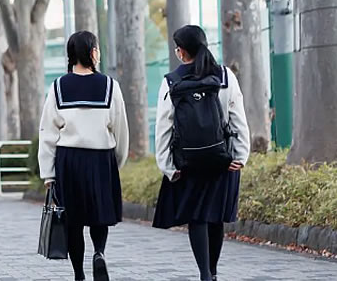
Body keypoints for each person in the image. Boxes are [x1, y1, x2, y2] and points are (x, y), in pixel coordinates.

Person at [153, 25, 251, 281]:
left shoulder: (171, 81)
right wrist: (240, 156)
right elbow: (237, 118)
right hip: (222, 160)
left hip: (188, 163)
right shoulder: (225, 76)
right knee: (215, 217)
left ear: (183, 52)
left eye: (177, 48)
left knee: (197, 217)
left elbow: (164, 126)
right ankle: (214, 272)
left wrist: (167, 166)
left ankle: (205, 274)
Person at [38, 30, 129, 281]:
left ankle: (79, 275)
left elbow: (47, 132)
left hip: (69, 161)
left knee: (73, 220)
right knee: (99, 216)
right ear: (92, 52)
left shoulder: (59, 87)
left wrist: (48, 173)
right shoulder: (110, 86)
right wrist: (116, 161)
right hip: (101, 158)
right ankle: (99, 253)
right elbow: (120, 128)